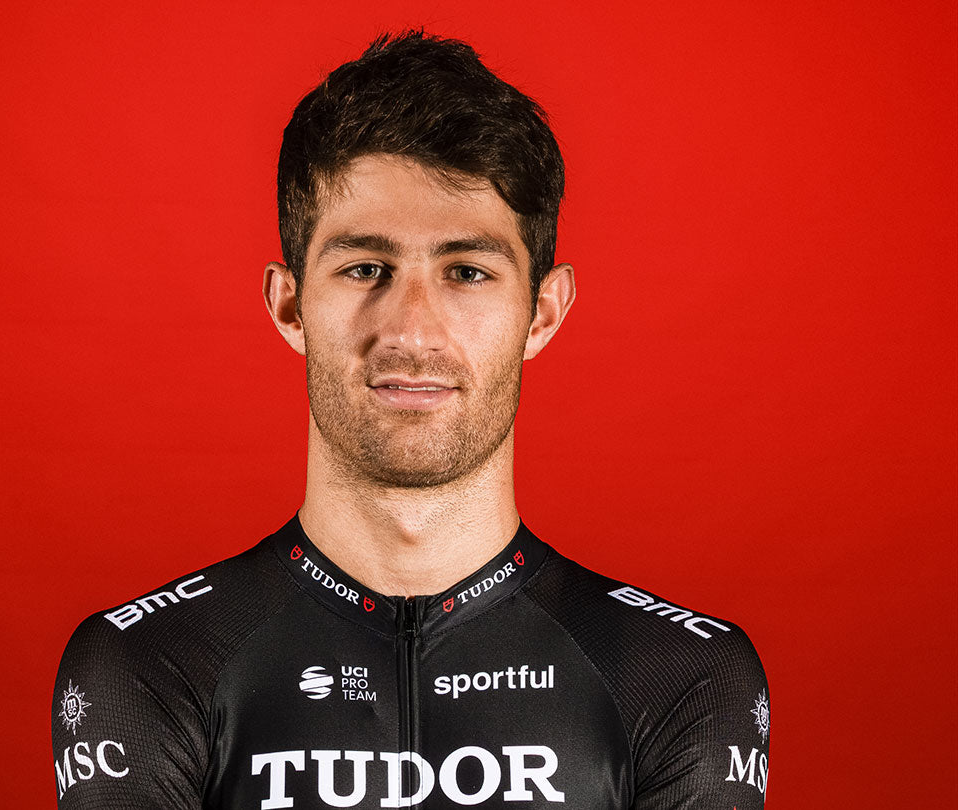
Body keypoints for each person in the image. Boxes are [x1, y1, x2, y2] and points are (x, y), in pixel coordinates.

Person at [51, 31, 770, 809]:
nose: (413, 331)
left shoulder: (677, 674)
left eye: (467, 271)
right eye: (366, 268)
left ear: (542, 312)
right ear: (290, 305)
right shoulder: (149, 663)